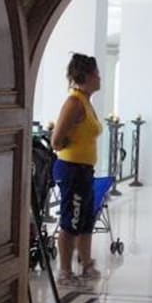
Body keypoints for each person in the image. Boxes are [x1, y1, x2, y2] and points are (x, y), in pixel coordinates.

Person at [50, 53, 103, 286]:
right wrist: (69, 147)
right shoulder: (74, 103)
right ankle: (65, 271)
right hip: (71, 170)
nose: (100, 78)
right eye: (97, 74)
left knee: (85, 219)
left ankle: (86, 263)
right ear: (87, 76)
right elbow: (56, 140)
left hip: (84, 170)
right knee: (71, 220)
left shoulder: (85, 101)